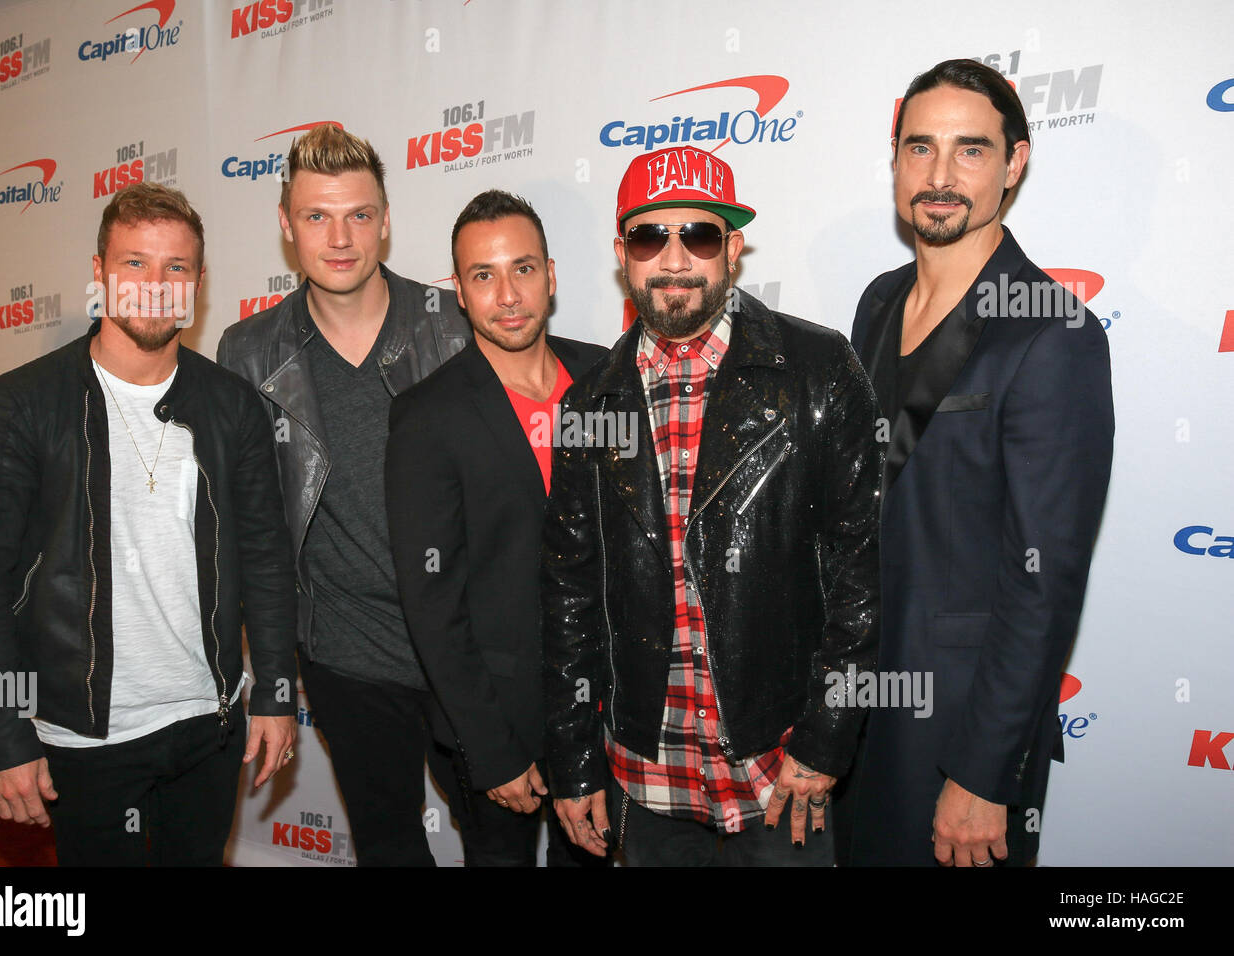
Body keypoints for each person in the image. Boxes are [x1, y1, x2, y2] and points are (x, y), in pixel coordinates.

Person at [541, 145, 882, 865]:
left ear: (732, 248)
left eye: (697, 235)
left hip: (780, 775)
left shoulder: (816, 371)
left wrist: (825, 738)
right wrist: (574, 761)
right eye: (648, 237)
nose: (673, 259)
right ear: (621, 254)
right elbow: (569, 594)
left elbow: (862, 571)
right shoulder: (590, 401)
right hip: (646, 778)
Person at [0, 182, 297, 866]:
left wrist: (276, 690)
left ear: (198, 281)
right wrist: (2, 735)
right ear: (98, 273)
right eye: (134, 263)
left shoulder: (232, 407)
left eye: (176, 268)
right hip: (84, 742)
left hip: (207, 728)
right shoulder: (19, 406)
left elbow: (268, 559)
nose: (154, 285)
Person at [839, 59, 1114, 867]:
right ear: (895, 160)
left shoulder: (1051, 333)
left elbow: (1045, 582)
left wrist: (984, 775)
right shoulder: (878, 301)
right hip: (859, 714)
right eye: (919, 148)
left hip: (960, 737)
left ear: (1014, 164)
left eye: (970, 150)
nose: (939, 175)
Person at [216, 124, 469, 866]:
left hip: (465, 644)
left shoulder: (452, 325)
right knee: (390, 849)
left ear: (386, 223)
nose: (340, 236)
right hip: (345, 656)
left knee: (501, 840)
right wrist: (273, 671)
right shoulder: (249, 351)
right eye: (317, 216)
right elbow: (250, 526)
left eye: (359, 214)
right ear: (287, 228)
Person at [384, 190, 606, 866]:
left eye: (523, 269)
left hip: (602, 716)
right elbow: (432, 603)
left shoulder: (604, 377)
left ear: (552, 275)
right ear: (459, 292)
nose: (508, 294)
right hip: (499, 728)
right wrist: (492, 750)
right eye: (484, 275)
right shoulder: (427, 415)